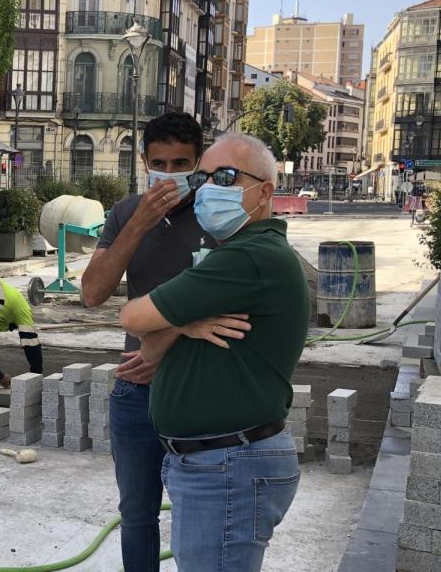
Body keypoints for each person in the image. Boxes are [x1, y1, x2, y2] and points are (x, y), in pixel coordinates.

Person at [120, 133, 309, 572]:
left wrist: (167, 319)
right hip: (211, 462)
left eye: (224, 177)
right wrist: (183, 322)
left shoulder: (248, 259)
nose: (207, 188)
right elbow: (149, 348)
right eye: (203, 178)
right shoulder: (234, 257)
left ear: (263, 192)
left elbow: (132, 317)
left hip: (228, 465)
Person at [80, 111, 216, 572]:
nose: (171, 175)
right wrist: (137, 224)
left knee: (199, 512)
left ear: (199, 162)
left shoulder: (219, 211)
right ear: (144, 162)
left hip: (202, 387)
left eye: (182, 164)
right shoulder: (125, 212)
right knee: (137, 513)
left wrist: (168, 342)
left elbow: (239, 302)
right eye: (161, 163)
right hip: (136, 389)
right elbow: (93, 292)